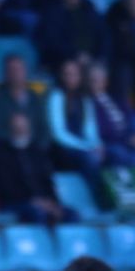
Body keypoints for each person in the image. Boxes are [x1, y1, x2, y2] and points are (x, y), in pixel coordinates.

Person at [0, 111, 76, 225]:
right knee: (39, 214)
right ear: (10, 129)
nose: (21, 130)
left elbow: (48, 182)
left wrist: (52, 203)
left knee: (71, 215)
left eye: (23, 127)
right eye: (17, 127)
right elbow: (6, 188)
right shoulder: (2, 155)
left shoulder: (37, 152)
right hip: (17, 203)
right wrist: (34, 202)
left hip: (43, 202)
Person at [46, 58, 105, 200]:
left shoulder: (85, 99)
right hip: (62, 149)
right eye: (67, 74)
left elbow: (90, 129)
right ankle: (98, 199)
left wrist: (97, 145)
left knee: (113, 155)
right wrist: (85, 147)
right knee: (89, 159)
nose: (70, 78)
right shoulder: (56, 96)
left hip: (82, 147)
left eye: (74, 74)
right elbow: (58, 133)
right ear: (61, 76)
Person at [34, 0, 106, 71]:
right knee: (70, 70)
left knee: (100, 71)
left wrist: (97, 56)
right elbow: (52, 41)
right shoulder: (51, 13)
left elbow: (102, 33)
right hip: (64, 60)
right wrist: (75, 55)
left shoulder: (89, 8)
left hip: (91, 58)